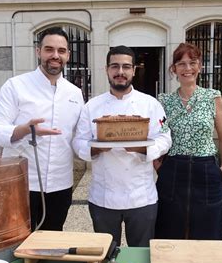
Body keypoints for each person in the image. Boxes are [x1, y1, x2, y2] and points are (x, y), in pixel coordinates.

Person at [73, 45, 171, 247]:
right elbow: (78, 141)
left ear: (134, 70)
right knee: (107, 253)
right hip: (103, 196)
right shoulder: (92, 106)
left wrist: (143, 149)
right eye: (115, 66)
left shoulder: (151, 104)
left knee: (141, 253)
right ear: (106, 70)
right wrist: (95, 149)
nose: (120, 72)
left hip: (141, 197)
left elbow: (165, 138)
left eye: (126, 67)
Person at [0, 27, 84, 231]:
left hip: (61, 184)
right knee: (18, 239)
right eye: (49, 49)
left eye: (61, 51)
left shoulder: (75, 93)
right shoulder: (15, 86)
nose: (55, 56)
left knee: (52, 238)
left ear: (67, 55)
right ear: (38, 51)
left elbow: (79, 136)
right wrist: (23, 130)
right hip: (22, 182)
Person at [154, 42, 222, 240]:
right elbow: (157, 135)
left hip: (205, 169)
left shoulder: (213, 97)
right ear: (174, 69)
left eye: (192, 62)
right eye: (181, 63)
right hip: (173, 169)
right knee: (170, 225)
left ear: (200, 66)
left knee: (208, 226)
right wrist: (158, 165)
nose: (187, 68)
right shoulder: (164, 101)